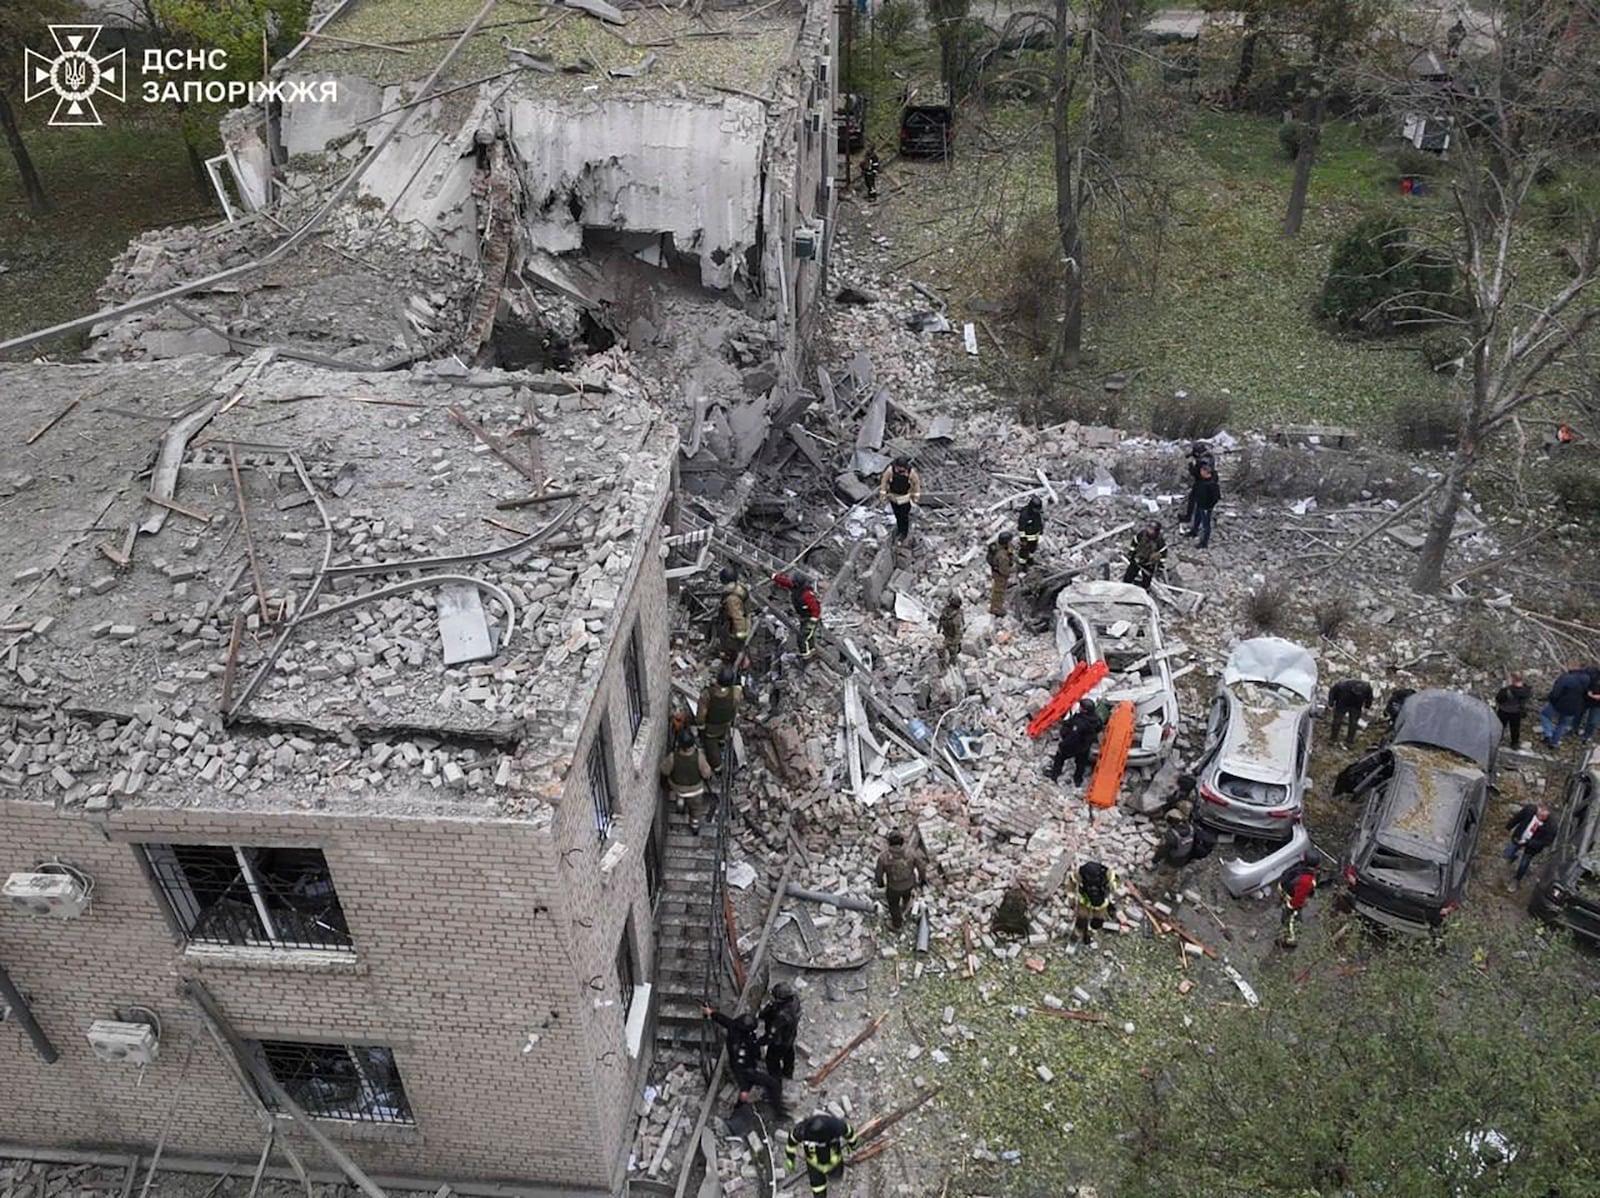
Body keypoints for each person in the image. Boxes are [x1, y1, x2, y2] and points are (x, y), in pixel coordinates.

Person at [703, 1005, 787, 1117]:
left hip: (745, 1063)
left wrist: (712, 1013)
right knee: (773, 1084)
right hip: (747, 1070)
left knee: (745, 1094)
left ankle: (738, 1109)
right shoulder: (742, 1046)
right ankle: (779, 1112)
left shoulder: (735, 1027)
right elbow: (739, 1067)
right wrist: (743, 1087)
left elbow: (725, 1020)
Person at [785, 1112, 859, 1196]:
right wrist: (790, 1158)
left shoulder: (836, 1126)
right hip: (815, 1164)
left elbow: (850, 1133)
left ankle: (834, 1175)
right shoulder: (802, 1130)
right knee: (818, 1188)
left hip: (831, 1160)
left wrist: (853, 1145)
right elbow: (791, 1144)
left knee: (835, 1175)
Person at [659, 728, 713, 833]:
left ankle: (680, 805)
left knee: (680, 795)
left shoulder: (672, 757)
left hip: (678, 787)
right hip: (695, 790)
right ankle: (694, 825)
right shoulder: (699, 757)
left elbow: (664, 770)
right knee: (696, 809)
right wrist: (709, 777)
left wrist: (664, 782)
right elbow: (706, 773)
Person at [874, 830, 927, 930]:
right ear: (902, 842)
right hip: (909, 883)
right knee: (906, 896)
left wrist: (880, 883)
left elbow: (878, 874)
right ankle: (904, 907)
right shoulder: (911, 853)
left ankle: (897, 924)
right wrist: (922, 879)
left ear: (889, 843)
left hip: (894, 887)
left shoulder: (884, 857)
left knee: (893, 905)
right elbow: (921, 867)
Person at [1045, 699, 1104, 787]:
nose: (1079, 708)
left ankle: (1054, 775)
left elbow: (1072, 737)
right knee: (1081, 763)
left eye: (1081, 707)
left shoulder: (1080, 722)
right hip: (1086, 745)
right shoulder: (1096, 719)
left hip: (1075, 745)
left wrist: (1063, 745)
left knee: (1060, 757)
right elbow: (1099, 728)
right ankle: (1078, 780)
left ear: (1084, 710)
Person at [696, 664, 743, 770]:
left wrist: (701, 728)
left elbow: (701, 715)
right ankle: (722, 741)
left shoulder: (707, 694)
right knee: (722, 734)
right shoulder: (736, 692)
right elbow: (736, 706)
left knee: (710, 745)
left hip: (711, 727)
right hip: (726, 723)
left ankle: (717, 766)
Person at [1503, 803, 1555, 888]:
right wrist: (1508, 827)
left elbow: (1545, 842)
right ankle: (1512, 857)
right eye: (1539, 815)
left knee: (1524, 863)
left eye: (1543, 817)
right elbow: (1517, 818)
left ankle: (1517, 879)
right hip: (1520, 836)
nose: (1540, 818)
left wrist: (1528, 842)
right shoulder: (1529, 810)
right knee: (1507, 853)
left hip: (1532, 846)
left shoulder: (1551, 827)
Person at [772, 572, 822, 660]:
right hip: (804, 617)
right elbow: (785, 582)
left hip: (810, 618)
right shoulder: (796, 588)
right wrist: (774, 576)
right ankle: (811, 652)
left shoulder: (807, 594)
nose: (792, 583)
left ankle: (806, 658)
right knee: (809, 638)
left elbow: (816, 609)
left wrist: (812, 621)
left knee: (803, 638)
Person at [1540, 663, 1591, 748]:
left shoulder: (1566, 678)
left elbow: (1556, 692)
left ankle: (1548, 735)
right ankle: (1554, 742)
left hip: (1558, 704)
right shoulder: (1587, 679)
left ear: (1572, 666)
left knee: (1544, 715)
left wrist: (1550, 699)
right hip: (1574, 707)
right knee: (1563, 725)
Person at [759, 982, 802, 1079]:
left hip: (779, 1041)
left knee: (772, 1062)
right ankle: (788, 1073)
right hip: (790, 1035)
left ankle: (776, 1085)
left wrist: (759, 1042)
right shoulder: (794, 1000)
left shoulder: (781, 1016)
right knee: (789, 1054)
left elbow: (771, 1034)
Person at [1074, 860, 1118, 948]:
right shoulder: (1079, 873)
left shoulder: (1107, 874)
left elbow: (1114, 884)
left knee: (1098, 920)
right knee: (1082, 918)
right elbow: (1075, 883)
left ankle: (1093, 929)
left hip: (1100, 901)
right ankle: (1082, 933)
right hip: (1085, 899)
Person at [878, 456, 921, 543]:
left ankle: (904, 533)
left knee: (904, 516)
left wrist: (916, 496)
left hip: (905, 498)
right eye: (899, 468)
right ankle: (899, 529)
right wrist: (883, 494)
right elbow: (884, 481)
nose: (900, 470)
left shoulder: (911, 473)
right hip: (893, 496)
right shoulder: (890, 470)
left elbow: (916, 484)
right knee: (897, 515)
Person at [1277, 858, 1317, 948]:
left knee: (1290, 919)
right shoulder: (1303, 871)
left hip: (1292, 901)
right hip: (1287, 895)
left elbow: (1299, 897)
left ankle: (1291, 940)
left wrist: (1290, 905)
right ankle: (1289, 933)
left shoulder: (1306, 880)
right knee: (1289, 918)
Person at [1150, 818, 1217, 870]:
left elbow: (1163, 851)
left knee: (1166, 847)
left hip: (1175, 861)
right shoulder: (1192, 829)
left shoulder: (1173, 836)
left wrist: (1154, 861)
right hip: (1187, 855)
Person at [1327, 679, 1374, 748]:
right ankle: (1333, 739)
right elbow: (1332, 692)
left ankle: (1349, 741)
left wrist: (1367, 706)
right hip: (1342, 703)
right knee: (1337, 721)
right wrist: (1331, 703)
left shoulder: (1366, 687)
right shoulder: (1342, 685)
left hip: (1356, 705)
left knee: (1353, 723)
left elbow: (1369, 697)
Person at [719, 565, 752, 665]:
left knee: (735, 653)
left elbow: (737, 618)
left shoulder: (731, 599)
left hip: (735, 629)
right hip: (745, 621)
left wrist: (740, 637)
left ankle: (736, 665)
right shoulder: (739, 588)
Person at [1179, 441, 1214, 529]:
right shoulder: (1210, 457)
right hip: (1209, 482)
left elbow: (1195, 473)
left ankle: (1192, 522)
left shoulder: (1202, 462)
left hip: (1201, 483)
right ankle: (1196, 520)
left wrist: (1190, 464)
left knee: (1195, 502)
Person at [1494, 671, 1532, 749]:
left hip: (1504, 710)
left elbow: (1499, 699)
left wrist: (1504, 688)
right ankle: (1514, 743)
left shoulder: (1507, 690)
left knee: (1500, 726)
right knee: (1515, 728)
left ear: (1513, 679)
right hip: (1517, 712)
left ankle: (1497, 740)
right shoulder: (1526, 690)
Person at [1122, 521, 1165, 590]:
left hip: (1149, 564)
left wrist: (1160, 566)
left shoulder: (1160, 541)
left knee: (1146, 580)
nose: (1149, 530)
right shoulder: (1142, 534)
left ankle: (1144, 591)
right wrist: (1131, 553)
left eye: (1151, 529)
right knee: (1129, 575)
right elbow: (1134, 542)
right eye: (1149, 528)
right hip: (1137, 559)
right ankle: (1125, 587)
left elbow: (1163, 553)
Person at [1187, 463, 1220, 549]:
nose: (1200, 472)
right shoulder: (1203, 481)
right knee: (1197, 517)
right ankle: (1194, 531)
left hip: (1205, 506)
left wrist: (1208, 506)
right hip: (1200, 503)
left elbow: (1216, 497)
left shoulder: (1211, 484)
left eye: (1202, 471)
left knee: (1206, 525)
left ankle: (1204, 542)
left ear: (1206, 472)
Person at [986, 531, 1015, 616]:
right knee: (999, 592)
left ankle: (996, 606)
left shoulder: (998, 545)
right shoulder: (1002, 556)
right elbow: (1005, 571)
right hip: (999, 575)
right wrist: (1015, 569)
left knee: (998, 590)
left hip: (996, 570)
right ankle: (995, 609)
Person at [1016, 496, 1044, 571]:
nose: (1037, 511)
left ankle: (1030, 560)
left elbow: (1039, 522)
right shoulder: (1025, 515)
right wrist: (1023, 539)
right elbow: (1021, 528)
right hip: (1027, 537)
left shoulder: (1036, 513)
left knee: (1032, 549)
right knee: (1024, 551)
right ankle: (1022, 565)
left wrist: (1041, 531)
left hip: (1035, 536)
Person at [937, 594, 964, 666]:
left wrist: (938, 630)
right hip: (951, 635)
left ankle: (947, 663)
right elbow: (960, 626)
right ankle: (949, 664)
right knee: (951, 651)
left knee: (947, 649)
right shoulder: (958, 614)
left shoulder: (945, 611)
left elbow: (940, 621)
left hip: (948, 634)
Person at [1581, 665, 1600, 743]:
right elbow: (1582, 680)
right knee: (1578, 714)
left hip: (1598, 704)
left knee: (1593, 721)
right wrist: (1587, 690)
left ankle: (1587, 736)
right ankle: (1573, 729)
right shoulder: (1591, 670)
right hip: (1586, 698)